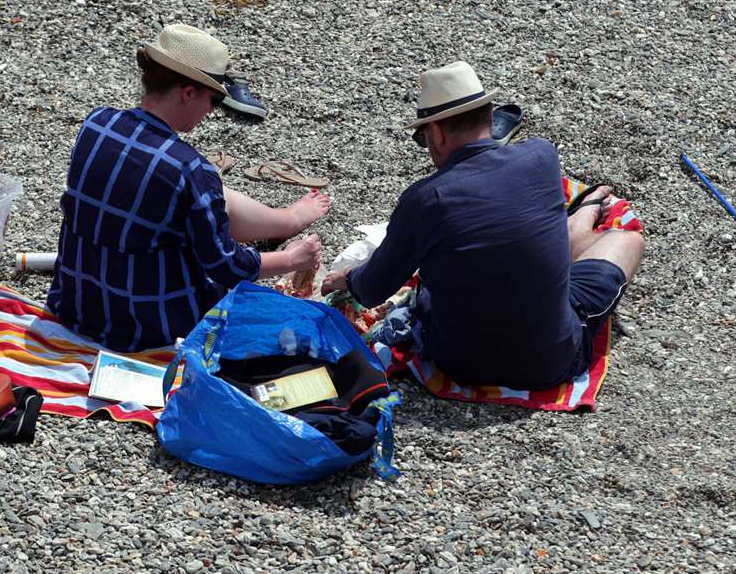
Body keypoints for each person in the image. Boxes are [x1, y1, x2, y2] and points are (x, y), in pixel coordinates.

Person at [321, 61, 644, 389]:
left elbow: (373, 288)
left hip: (459, 364)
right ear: (491, 118)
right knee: (626, 241)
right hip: (550, 363)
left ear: (438, 133)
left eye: (423, 137)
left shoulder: (425, 199)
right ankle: (582, 218)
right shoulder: (541, 156)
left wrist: (347, 279)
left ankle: (579, 224)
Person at [48, 24, 327, 352]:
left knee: (201, 196)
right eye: (215, 98)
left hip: (75, 304)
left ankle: (285, 220)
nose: (212, 111)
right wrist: (292, 259)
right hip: (148, 327)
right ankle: (287, 222)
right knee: (208, 194)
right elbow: (225, 266)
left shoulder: (97, 123)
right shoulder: (190, 169)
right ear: (188, 92)